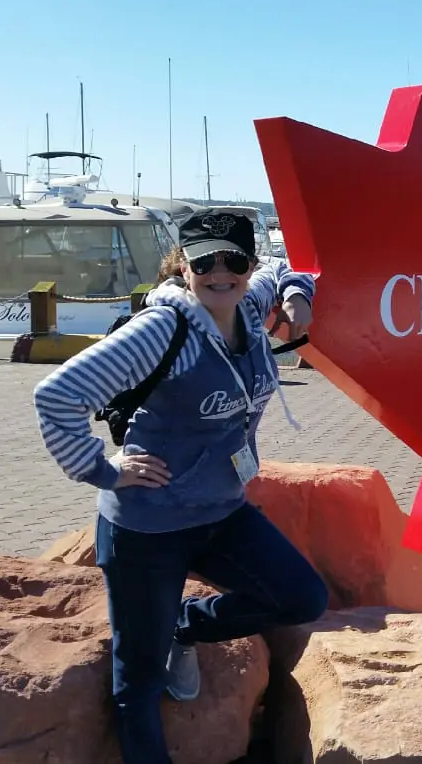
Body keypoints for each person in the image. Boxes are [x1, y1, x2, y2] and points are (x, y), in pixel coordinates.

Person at [33, 208, 328, 763]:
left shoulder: (250, 301)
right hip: (148, 526)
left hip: (221, 513)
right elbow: (56, 396)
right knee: (138, 682)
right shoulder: (163, 329)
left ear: (248, 264)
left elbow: (295, 265)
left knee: (301, 596)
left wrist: (296, 296)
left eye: (234, 260)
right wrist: (102, 469)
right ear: (184, 266)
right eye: (204, 262)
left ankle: (182, 628)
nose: (220, 272)